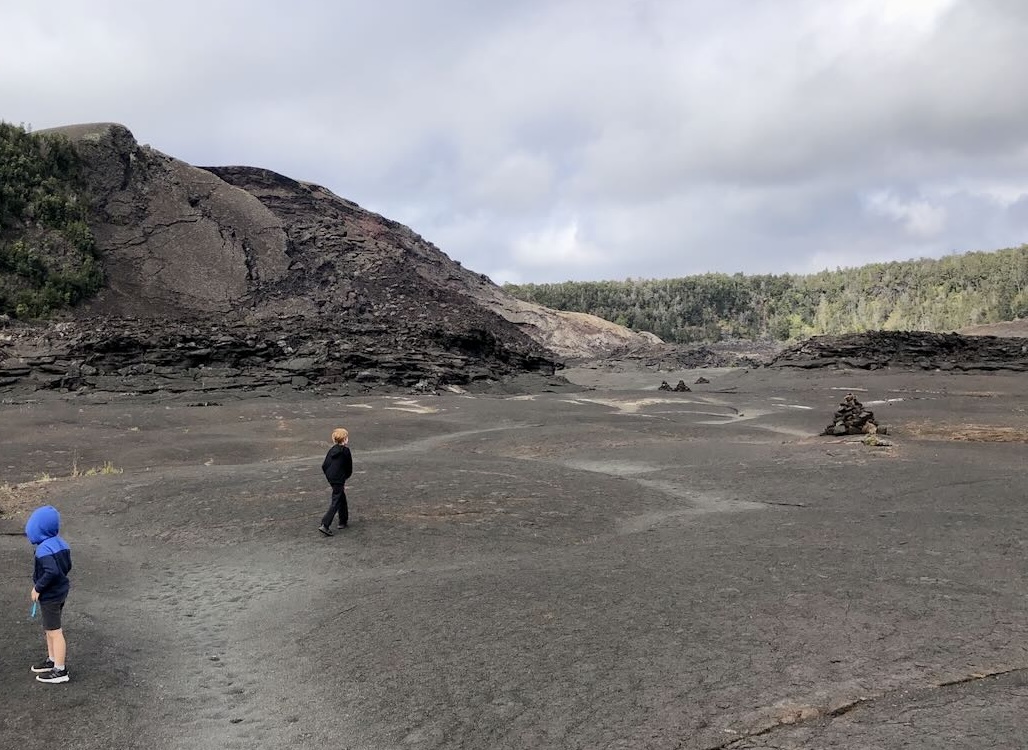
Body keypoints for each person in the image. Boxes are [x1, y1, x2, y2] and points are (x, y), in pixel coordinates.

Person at [26, 505, 72, 684]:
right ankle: (52, 660)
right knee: (49, 628)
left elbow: (51, 571)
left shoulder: (43, 549)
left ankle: (60, 670)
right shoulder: (61, 543)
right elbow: (67, 566)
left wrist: (38, 587)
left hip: (50, 596)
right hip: (60, 592)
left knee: (54, 631)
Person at [318, 427, 353, 536]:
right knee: (336, 500)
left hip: (331, 477)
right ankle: (325, 524)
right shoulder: (345, 451)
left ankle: (343, 520)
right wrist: (344, 476)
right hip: (339, 478)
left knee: (341, 497)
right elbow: (349, 467)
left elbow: (324, 465)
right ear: (345, 439)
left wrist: (329, 475)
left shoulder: (331, 450)